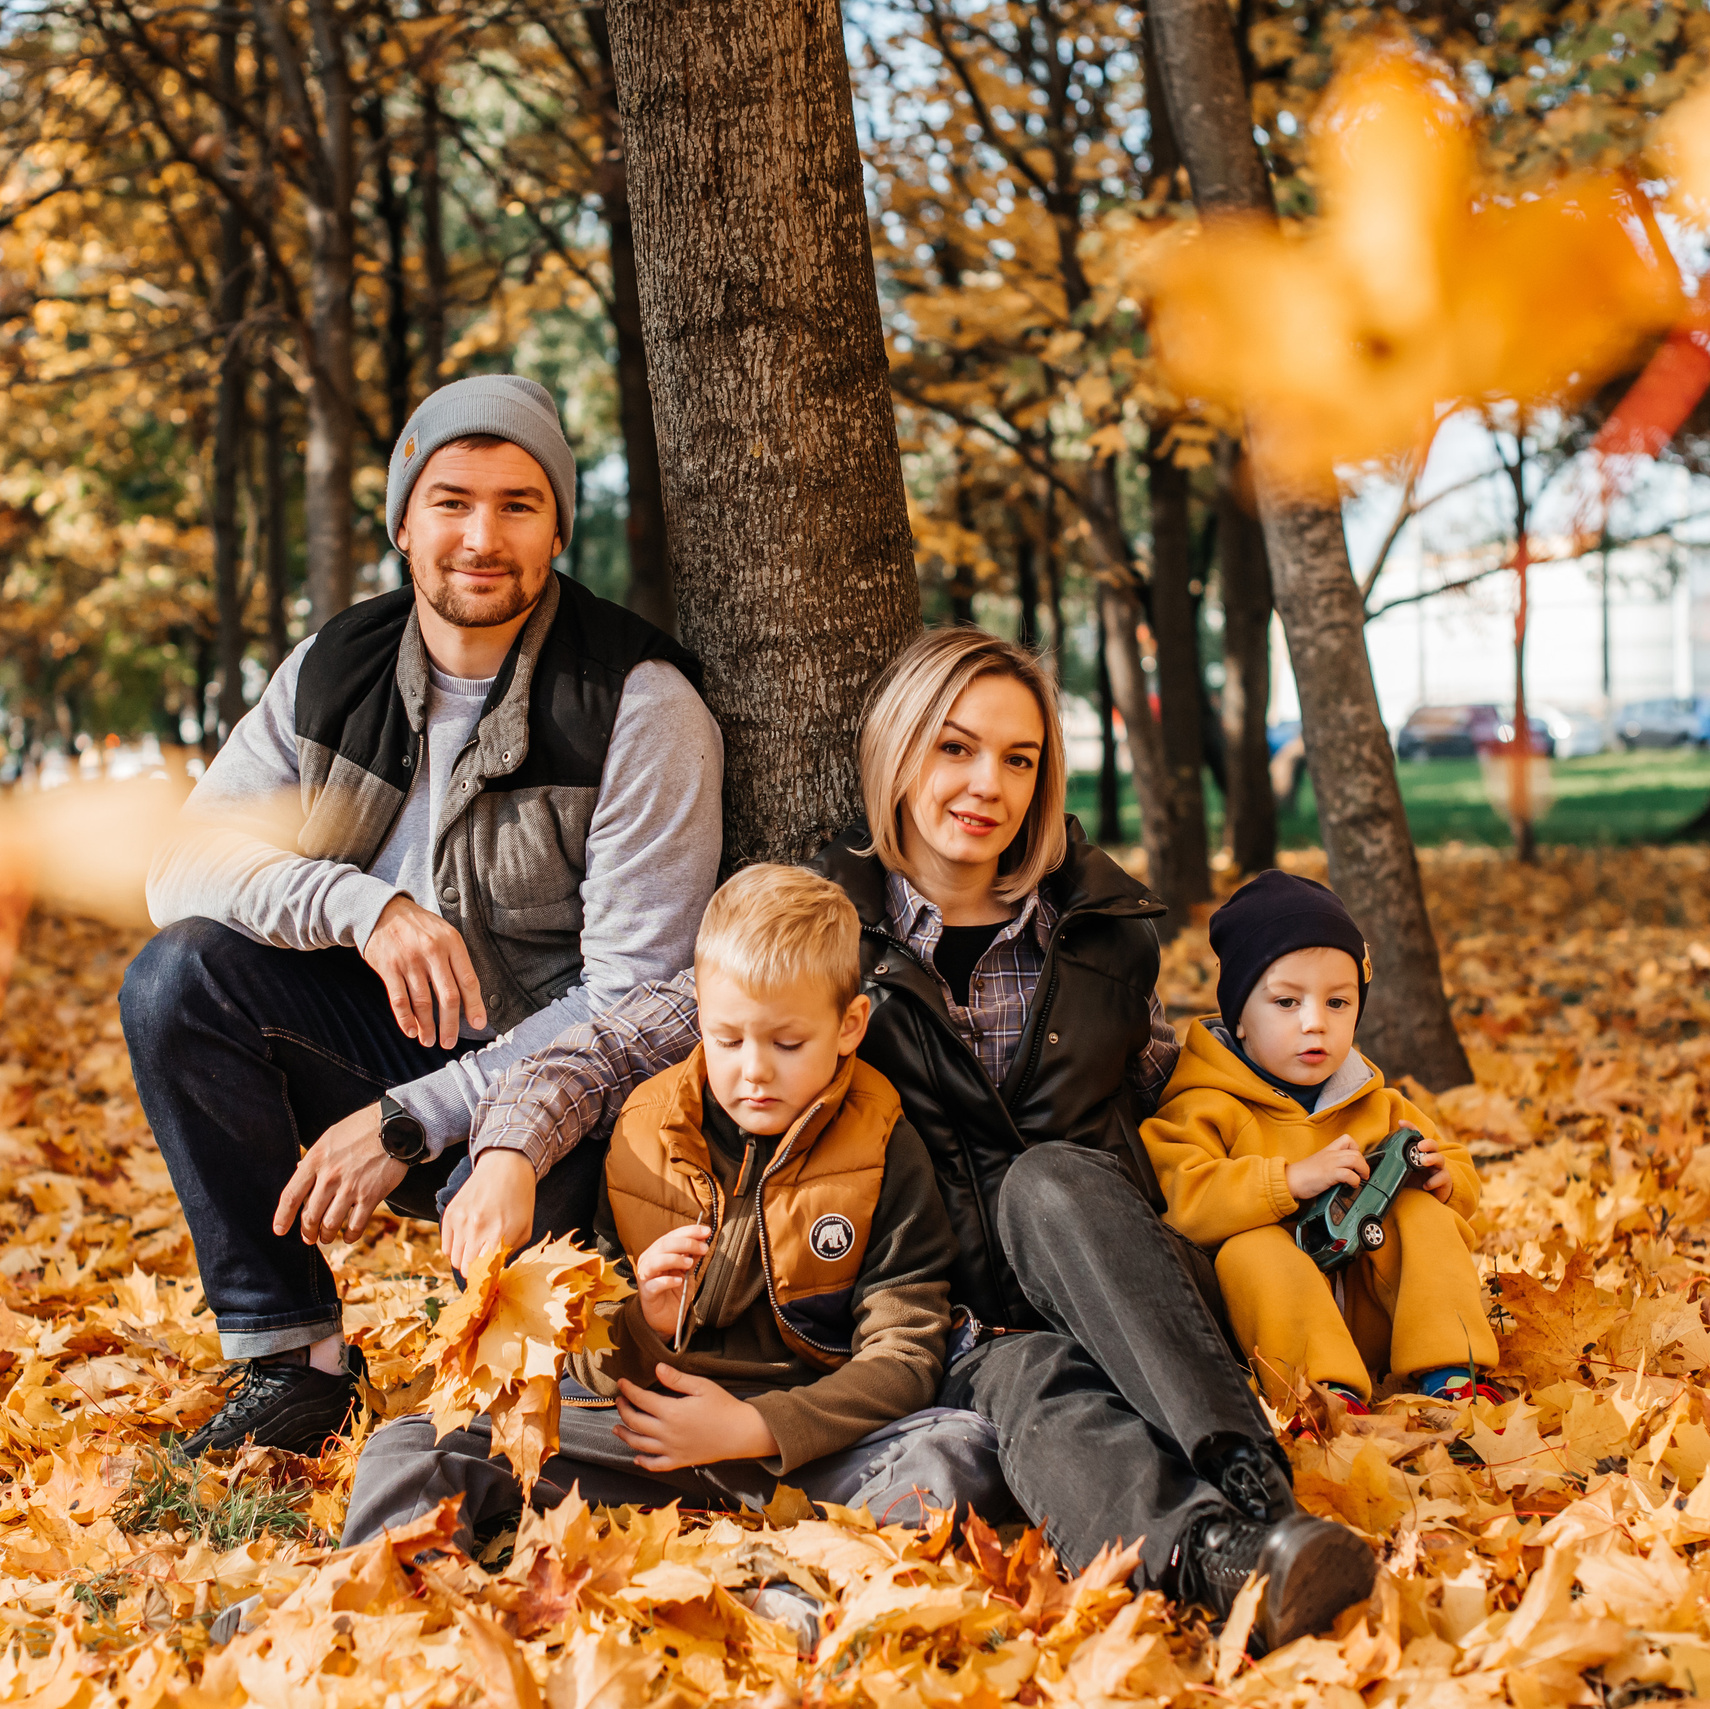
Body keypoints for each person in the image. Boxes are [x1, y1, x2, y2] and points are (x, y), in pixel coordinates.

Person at [439, 628, 1375, 1655]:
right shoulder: (826, 933)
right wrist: (508, 1152)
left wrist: (1376, 1153)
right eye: (955, 748)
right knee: (1034, 1388)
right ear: (896, 752)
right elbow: (618, 1043)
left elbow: (1211, 1081)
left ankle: (1260, 1491)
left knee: (1048, 1182)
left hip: (1115, 1285)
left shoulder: (1100, 933)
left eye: (1019, 759)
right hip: (944, 1326)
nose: (988, 784)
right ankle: (1229, 1563)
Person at [119, 375, 724, 1456]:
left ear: (557, 528)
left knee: (539, 1382)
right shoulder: (330, 671)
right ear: (403, 521)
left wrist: (414, 1117)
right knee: (178, 977)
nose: (481, 538)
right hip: (384, 1033)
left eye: (518, 504)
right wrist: (364, 906)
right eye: (450, 501)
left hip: (562, 1095)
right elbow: (179, 863)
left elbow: (637, 1000)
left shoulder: (639, 704)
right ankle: (294, 1363)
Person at [342, 864, 1006, 1546]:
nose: (754, 1070)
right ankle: (387, 1583)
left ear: (849, 1025)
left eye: (787, 1043)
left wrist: (759, 1426)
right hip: (641, 1433)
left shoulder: (884, 1143)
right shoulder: (644, 1131)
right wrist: (644, 1320)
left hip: (805, 1444)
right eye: (728, 1039)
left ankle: (794, 1585)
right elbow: (587, 1353)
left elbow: (904, 1352)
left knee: (958, 1452)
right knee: (414, 1445)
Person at [1142, 869, 1500, 1411]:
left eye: (1338, 1003)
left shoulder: (1374, 1101)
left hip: (1374, 1315)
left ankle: (1452, 1371)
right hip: (1277, 1333)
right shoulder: (1205, 1103)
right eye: (1287, 1003)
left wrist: (1445, 1179)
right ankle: (1324, 1396)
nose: (1315, 1023)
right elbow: (1179, 1199)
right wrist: (1286, 1181)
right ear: (1240, 1018)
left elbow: (1454, 1166)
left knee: (1422, 1213)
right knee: (1251, 1248)